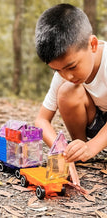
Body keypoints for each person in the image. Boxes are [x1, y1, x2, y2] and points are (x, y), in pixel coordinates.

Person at [34, 3, 107, 184]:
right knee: (67, 90)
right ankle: (79, 151)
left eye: (72, 67)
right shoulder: (64, 72)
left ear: (93, 44)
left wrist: (93, 146)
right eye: (57, 70)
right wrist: (63, 151)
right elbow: (41, 120)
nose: (66, 75)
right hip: (99, 120)